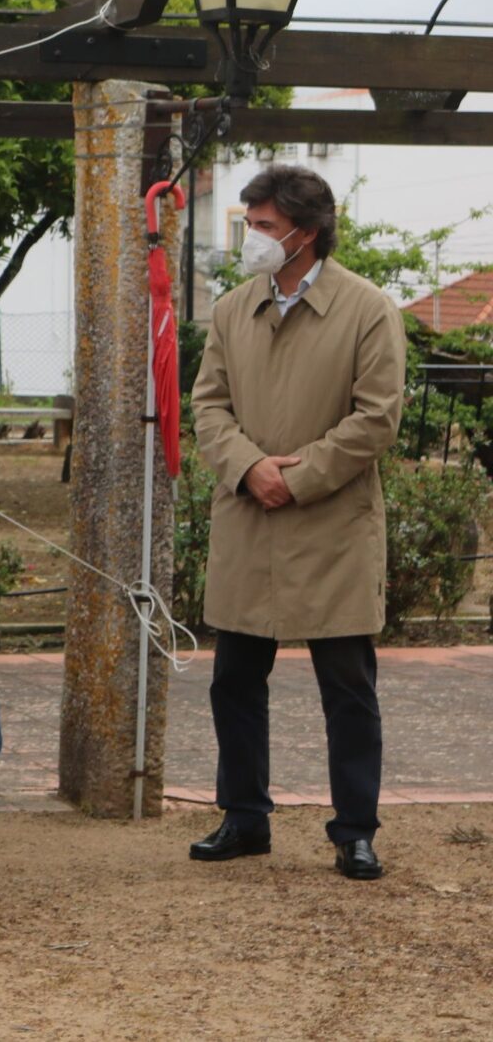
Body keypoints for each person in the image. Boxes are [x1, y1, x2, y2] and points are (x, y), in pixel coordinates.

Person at [187, 166, 405, 881]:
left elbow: (377, 417)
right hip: (250, 518)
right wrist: (251, 467)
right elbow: (209, 405)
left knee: (347, 684)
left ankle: (355, 828)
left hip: (333, 526)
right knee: (235, 679)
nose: (252, 237)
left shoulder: (369, 309)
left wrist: (299, 475)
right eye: (250, 223)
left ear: (306, 233)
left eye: (265, 226)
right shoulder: (230, 310)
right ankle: (244, 816)